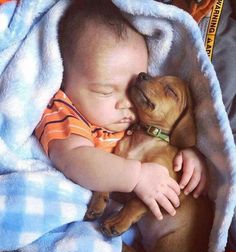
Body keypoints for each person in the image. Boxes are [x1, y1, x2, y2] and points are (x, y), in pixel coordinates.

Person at [35, 0, 207, 221]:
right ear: (64, 81)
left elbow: (159, 138)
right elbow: (77, 161)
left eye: (133, 88)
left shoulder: (126, 119)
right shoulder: (65, 113)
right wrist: (137, 177)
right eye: (106, 92)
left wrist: (186, 155)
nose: (127, 102)